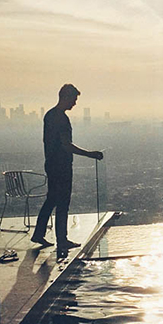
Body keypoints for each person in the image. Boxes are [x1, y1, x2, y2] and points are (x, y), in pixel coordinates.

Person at [31, 84, 103, 252]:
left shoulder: (49, 115)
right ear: (66, 97)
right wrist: (90, 154)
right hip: (61, 166)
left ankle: (39, 233)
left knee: (51, 200)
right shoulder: (61, 119)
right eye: (74, 99)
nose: (75, 103)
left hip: (51, 164)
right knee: (63, 202)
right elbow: (66, 145)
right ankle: (61, 240)